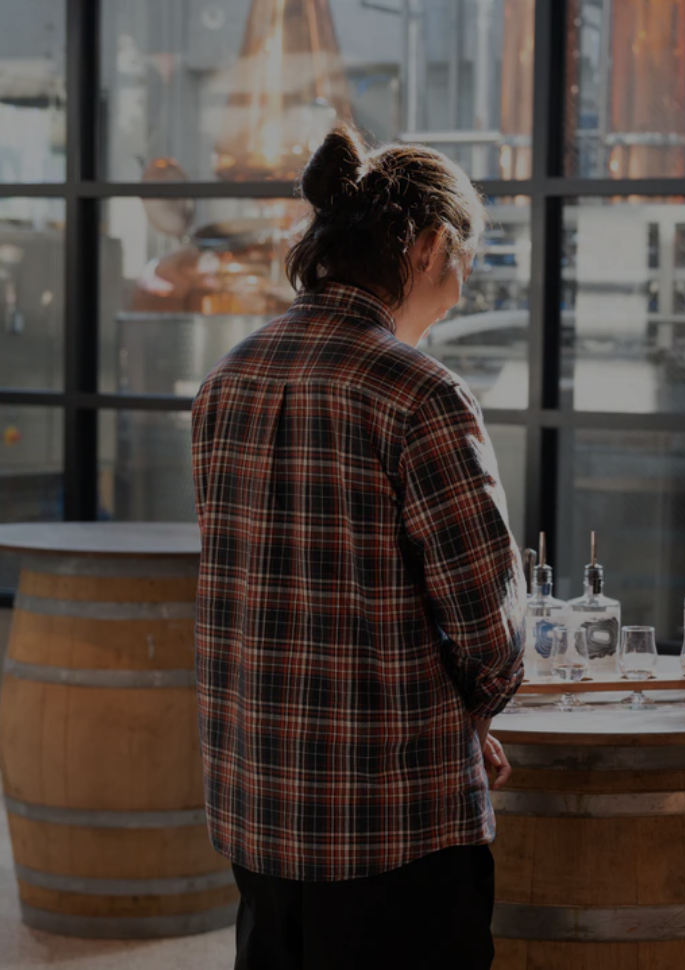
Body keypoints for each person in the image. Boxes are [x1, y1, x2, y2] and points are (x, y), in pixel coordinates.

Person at [191, 125, 525, 970]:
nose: (461, 285)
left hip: (259, 802)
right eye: (463, 260)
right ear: (430, 246)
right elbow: (488, 626)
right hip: (392, 817)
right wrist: (469, 717)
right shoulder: (421, 393)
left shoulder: (227, 378)